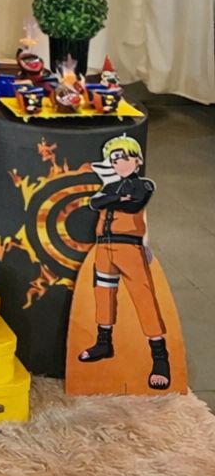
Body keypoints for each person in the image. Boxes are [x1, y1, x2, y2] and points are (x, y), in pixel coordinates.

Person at [78, 135, 169, 390]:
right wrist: (119, 198)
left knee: (143, 296)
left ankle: (159, 356)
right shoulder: (112, 187)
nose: (118, 162)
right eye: (114, 158)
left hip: (128, 245)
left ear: (137, 160)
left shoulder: (144, 185)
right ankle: (103, 342)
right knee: (103, 293)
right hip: (103, 246)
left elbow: (133, 205)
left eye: (123, 157)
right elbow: (95, 202)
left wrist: (115, 199)